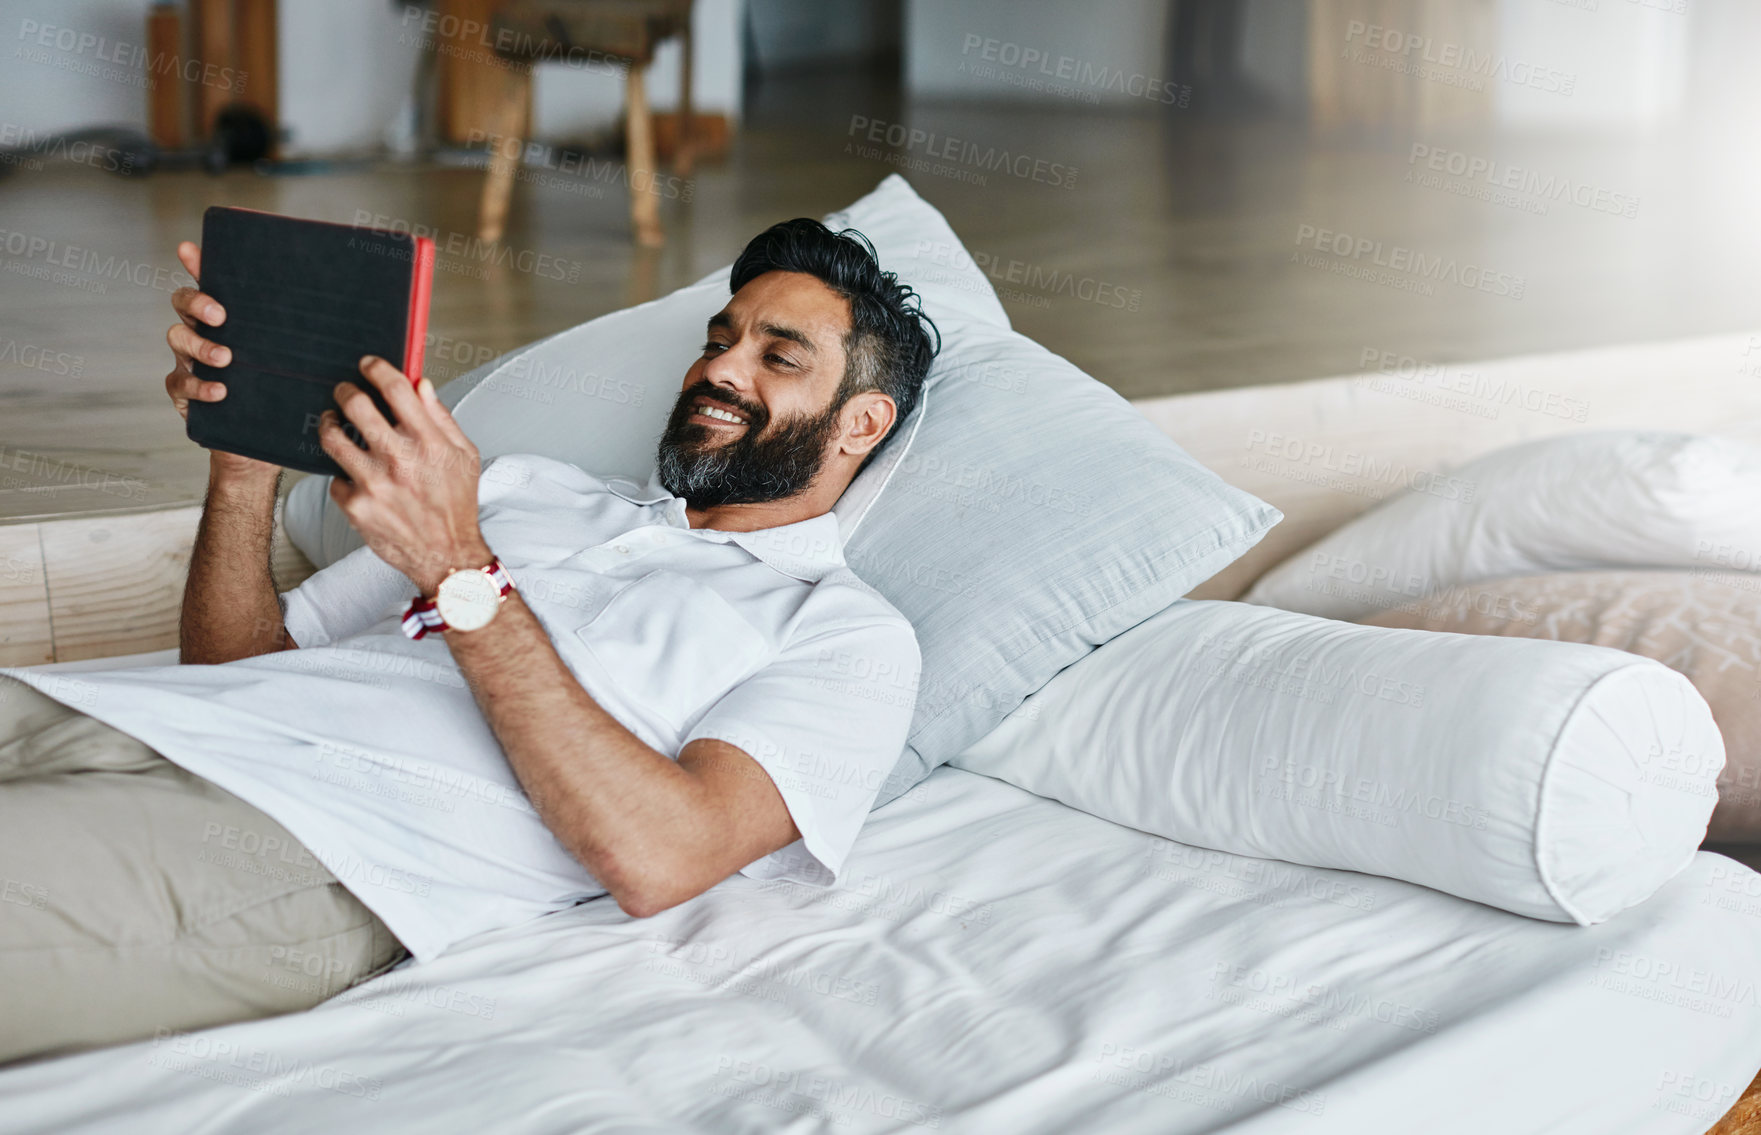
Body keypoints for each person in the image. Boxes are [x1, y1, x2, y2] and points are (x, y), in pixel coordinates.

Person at [0, 218, 936, 1065]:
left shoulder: (845, 633)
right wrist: (240, 463)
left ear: (863, 420)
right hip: (127, 714)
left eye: (780, 357)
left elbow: (661, 857)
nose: (722, 369)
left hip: (305, 843)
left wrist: (459, 566)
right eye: (720, 340)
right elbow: (232, 672)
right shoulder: (525, 488)